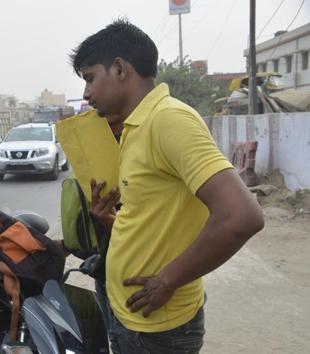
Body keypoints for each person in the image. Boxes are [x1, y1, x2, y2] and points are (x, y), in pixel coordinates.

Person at [70, 19, 264, 353]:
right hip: (132, 319)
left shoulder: (169, 120)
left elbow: (242, 216)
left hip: (158, 331)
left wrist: (167, 280)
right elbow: (159, 219)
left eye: (90, 78)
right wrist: (110, 221)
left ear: (119, 68)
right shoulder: (135, 126)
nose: (86, 94)